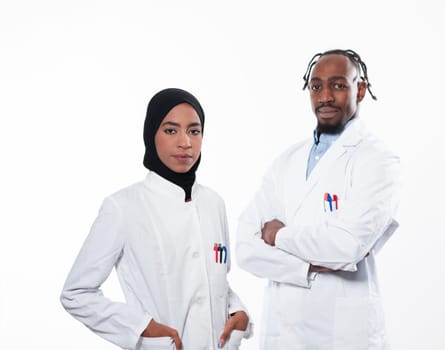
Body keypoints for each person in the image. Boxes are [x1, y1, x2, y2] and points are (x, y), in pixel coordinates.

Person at [61, 88, 252, 350]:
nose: (185, 142)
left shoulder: (213, 203)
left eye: (194, 131)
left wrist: (237, 312)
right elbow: (76, 294)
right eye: (171, 130)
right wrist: (140, 327)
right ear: (151, 135)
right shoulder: (123, 207)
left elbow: (212, 281)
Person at [236, 49, 400, 350]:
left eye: (338, 85)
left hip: (343, 336)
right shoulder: (286, 161)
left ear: (360, 90)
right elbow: (245, 248)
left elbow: (347, 246)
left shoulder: (377, 160)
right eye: (316, 86)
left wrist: (277, 235)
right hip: (282, 335)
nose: (325, 96)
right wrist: (311, 266)